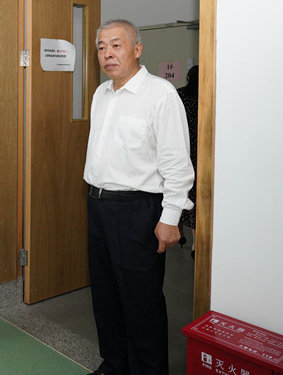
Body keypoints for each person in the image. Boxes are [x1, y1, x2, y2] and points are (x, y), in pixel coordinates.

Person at [83, 19, 194, 375]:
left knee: (141, 302)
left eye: (116, 45)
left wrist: (170, 218)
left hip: (138, 210)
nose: (107, 53)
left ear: (137, 49)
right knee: (105, 294)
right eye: (101, 47)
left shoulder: (160, 94)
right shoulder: (101, 94)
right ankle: (114, 363)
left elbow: (177, 164)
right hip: (98, 205)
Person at [177, 65, 199, 259]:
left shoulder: (179, 95)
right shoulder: (207, 96)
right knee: (196, 195)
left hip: (181, 150)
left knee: (178, 189)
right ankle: (195, 243)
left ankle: (179, 233)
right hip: (201, 152)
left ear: (188, 77)